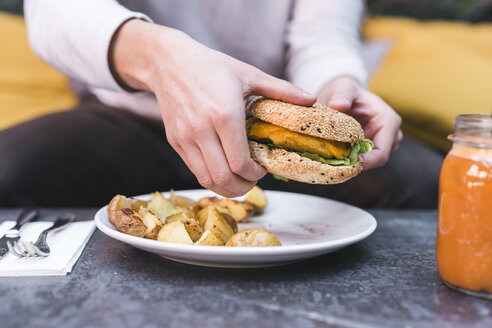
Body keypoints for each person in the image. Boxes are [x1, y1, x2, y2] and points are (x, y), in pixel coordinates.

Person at [0, 0, 442, 208]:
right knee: (10, 166)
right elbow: (54, 11)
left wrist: (339, 87)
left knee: (428, 182)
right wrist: (160, 60)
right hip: (129, 116)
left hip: (268, 136)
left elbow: (323, 35)